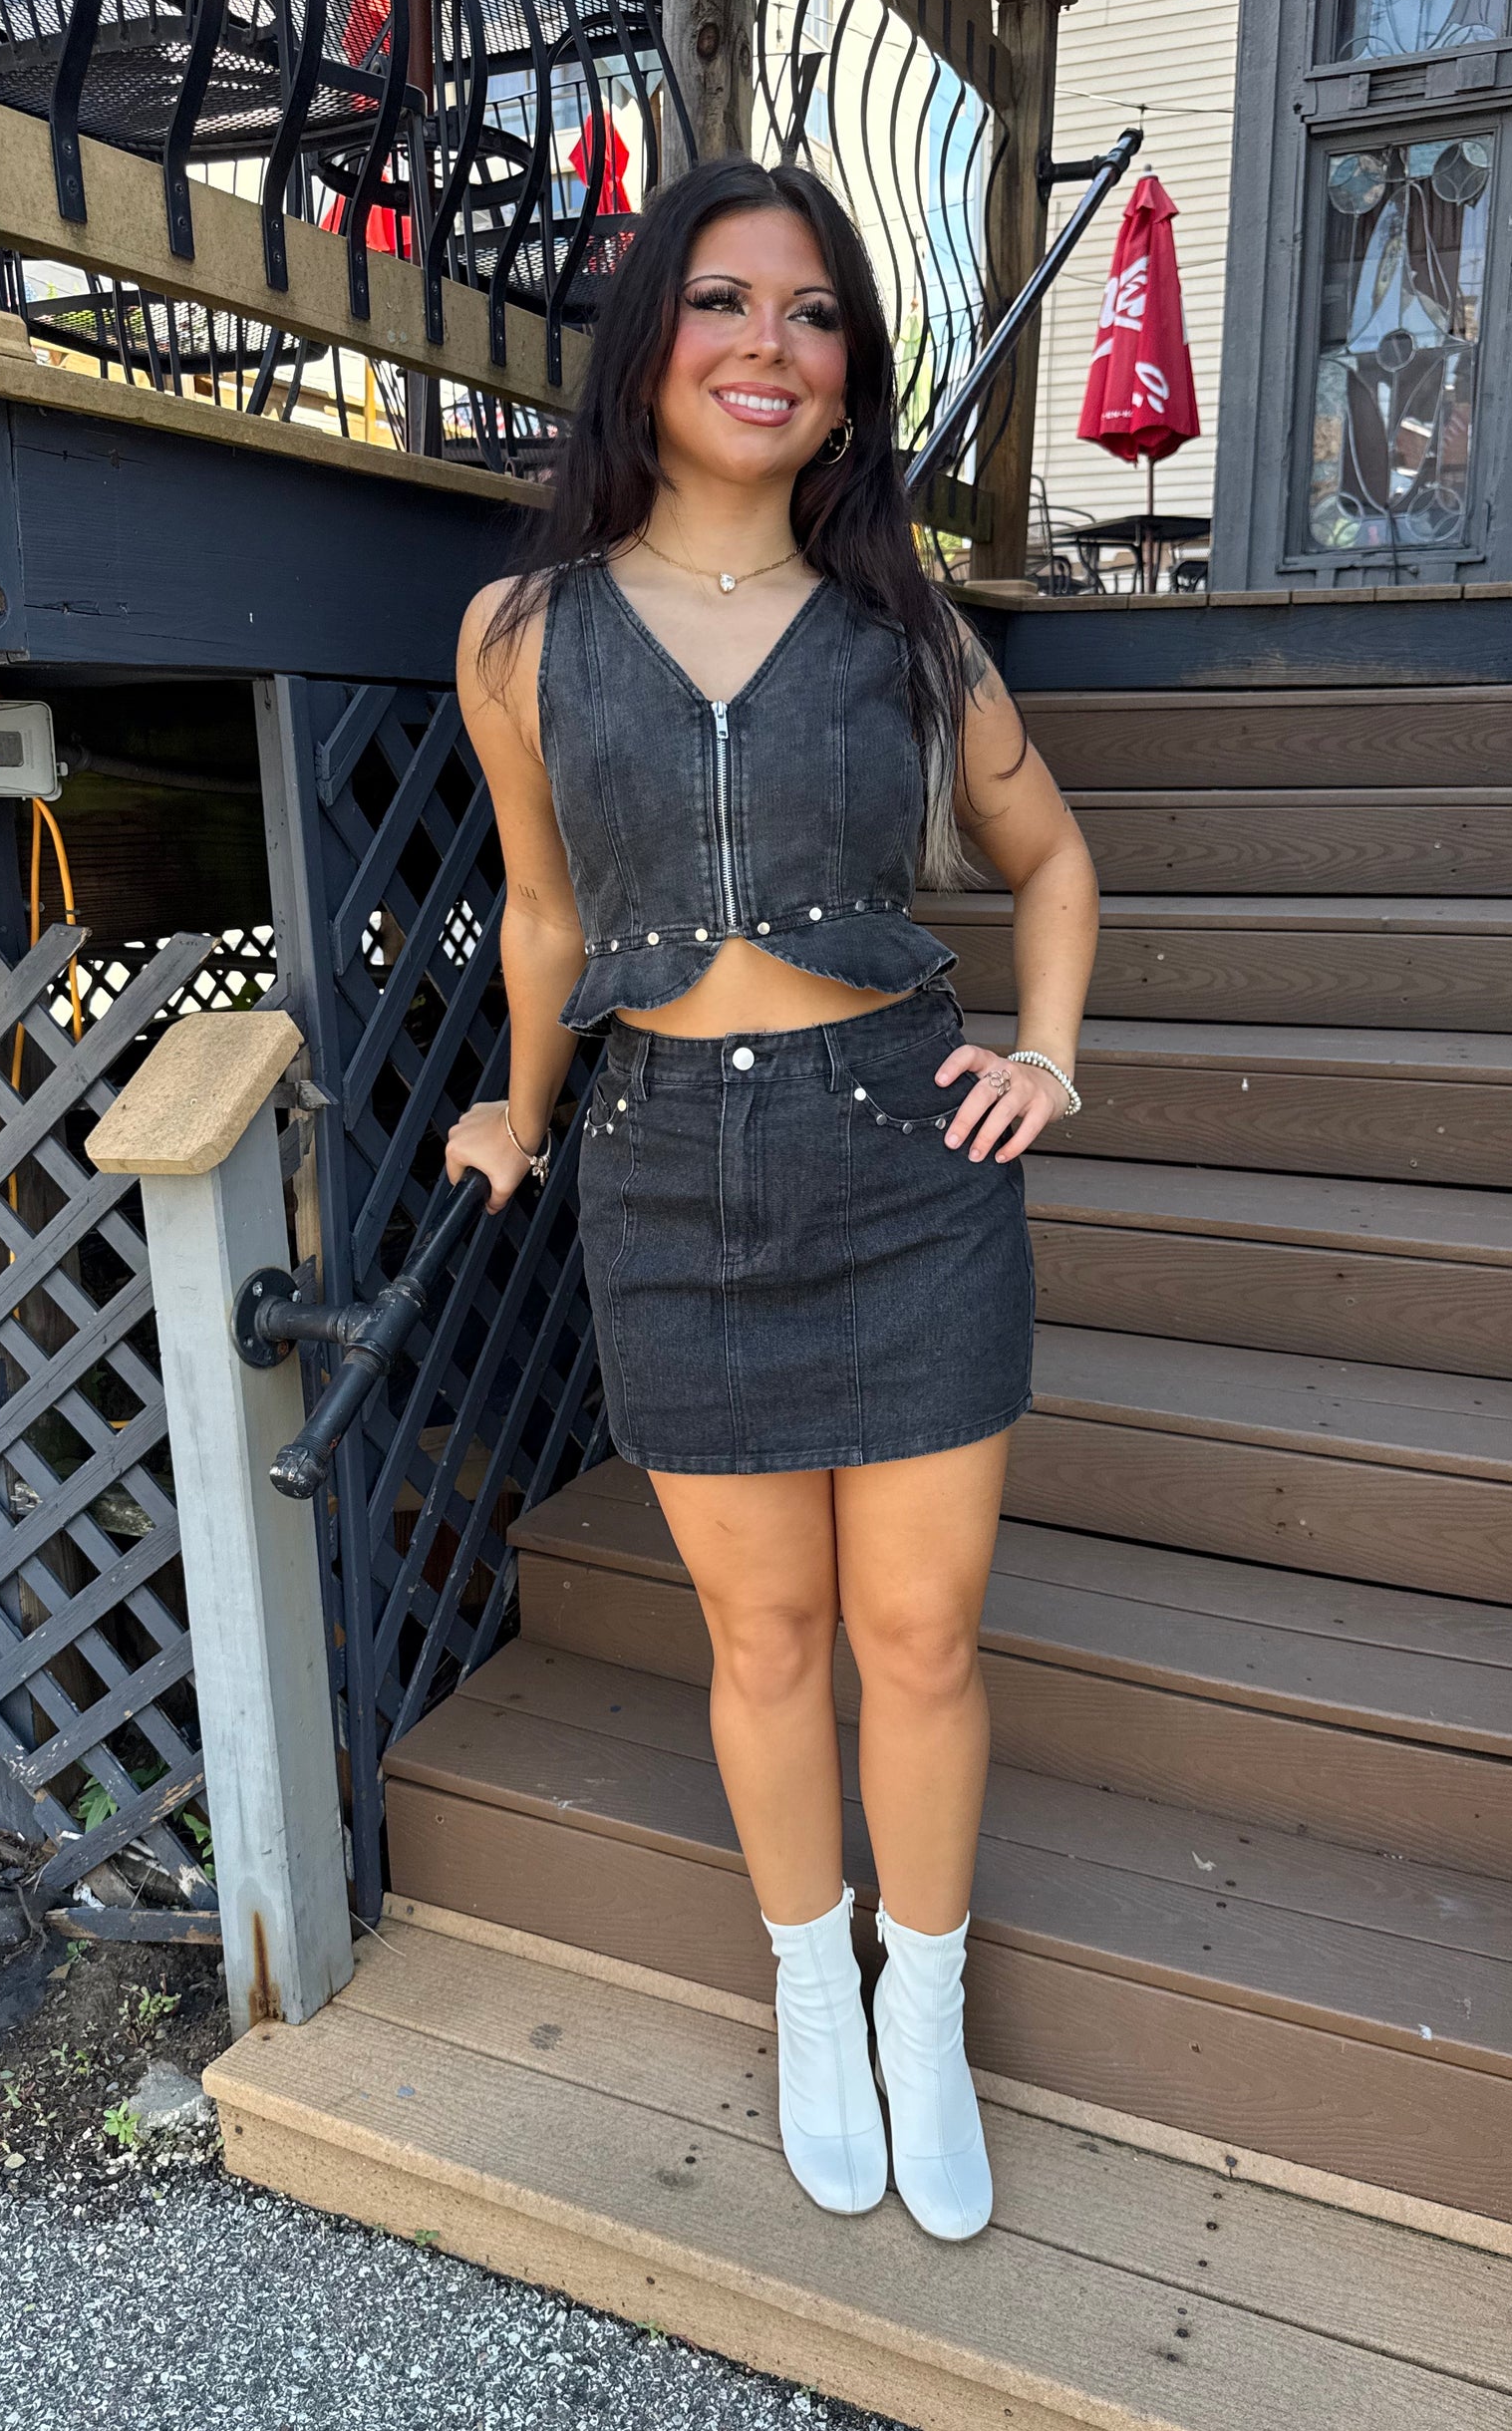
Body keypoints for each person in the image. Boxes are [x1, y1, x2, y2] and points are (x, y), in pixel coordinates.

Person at [450, 155, 1099, 2243]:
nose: (768, 344)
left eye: (812, 314)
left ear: (847, 376)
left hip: (907, 1165)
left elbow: (1051, 862)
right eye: (724, 300)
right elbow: (546, 912)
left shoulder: (909, 625)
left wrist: (1047, 1053)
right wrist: (514, 1110)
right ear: (648, 341)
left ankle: (927, 2004)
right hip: (667, 1173)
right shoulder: (521, 633)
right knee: (767, 1631)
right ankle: (814, 1990)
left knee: (915, 1635)